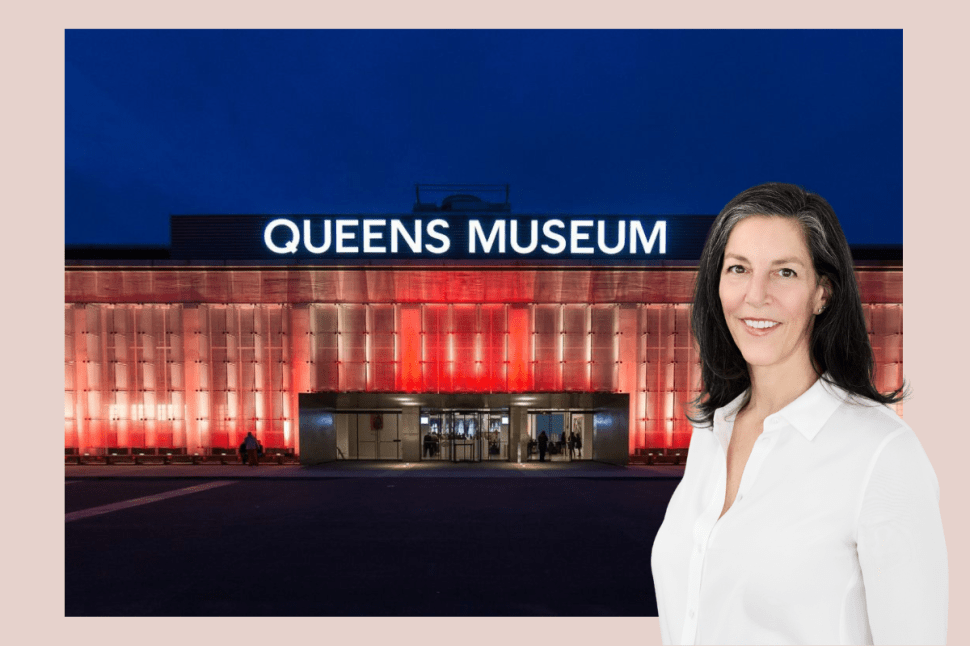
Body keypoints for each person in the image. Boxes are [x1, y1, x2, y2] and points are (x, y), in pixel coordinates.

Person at [650, 183, 947, 645]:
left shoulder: (882, 453)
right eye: (738, 269)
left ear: (822, 293)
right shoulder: (712, 434)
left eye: (784, 272)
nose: (756, 295)